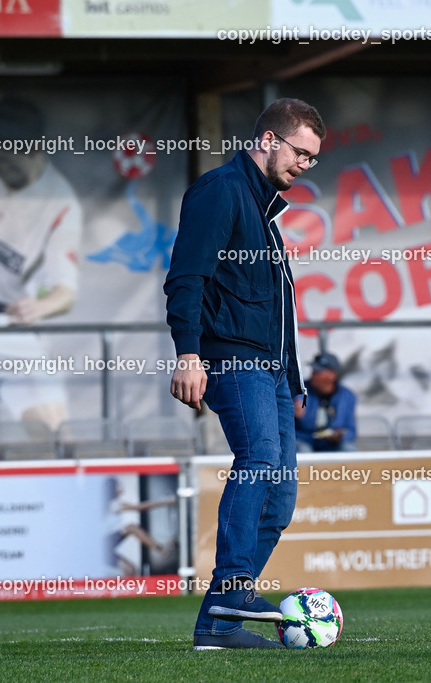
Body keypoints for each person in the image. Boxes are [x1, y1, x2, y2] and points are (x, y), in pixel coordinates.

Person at [165, 98, 326, 650]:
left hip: (274, 372)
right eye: (300, 153)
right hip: (235, 361)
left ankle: (219, 624)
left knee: (279, 501)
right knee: (257, 462)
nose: (305, 165)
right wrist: (188, 355)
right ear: (268, 140)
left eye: (312, 158)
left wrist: (295, 379)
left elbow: (279, 308)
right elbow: (186, 278)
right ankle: (232, 598)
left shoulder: (264, 208)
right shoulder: (220, 191)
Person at [0, 97, 82, 429]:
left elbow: (64, 293)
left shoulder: (61, 203)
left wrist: (38, 308)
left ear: (34, 148)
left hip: (1, 320)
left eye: (6, 158)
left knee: (53, 425)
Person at [294, 351, 357, 453]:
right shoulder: (299, 390)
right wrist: (291, 412)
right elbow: (297, 425)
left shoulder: (347, 396)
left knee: (348, 449)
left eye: (318, 371)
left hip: (331, 444)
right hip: (304, 440)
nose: (313, 374)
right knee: (303, 450)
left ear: (332, 375)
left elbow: (351, 430)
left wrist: (340, 436)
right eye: (313, 370)